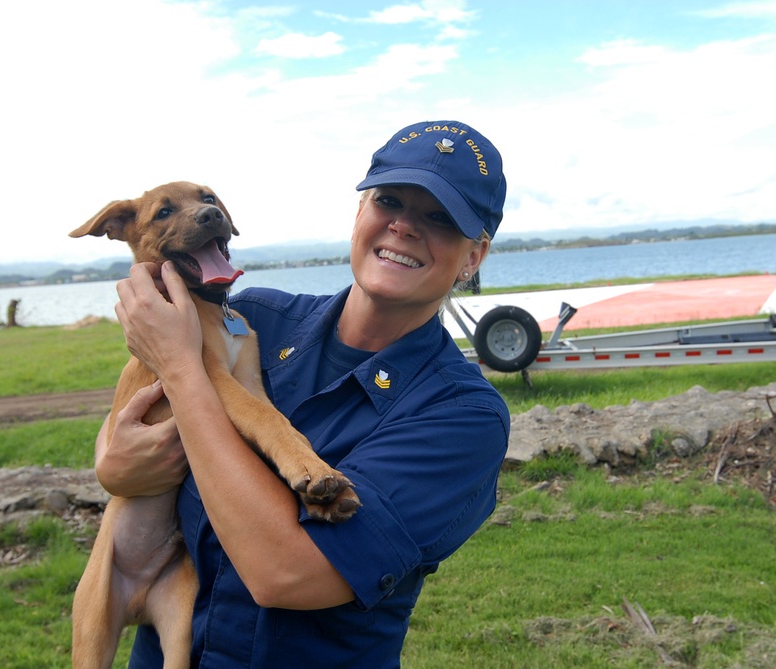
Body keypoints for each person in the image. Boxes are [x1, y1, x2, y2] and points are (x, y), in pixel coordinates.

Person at [97, 120, 510, 667]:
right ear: (359, 213)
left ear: (473, 257)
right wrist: (114, 464)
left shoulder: (463, 417)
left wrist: (180, 368)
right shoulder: (253, 319)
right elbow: (119, 454)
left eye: (439, 218)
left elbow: (284, 575)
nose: (404, 227)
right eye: (388, 201)